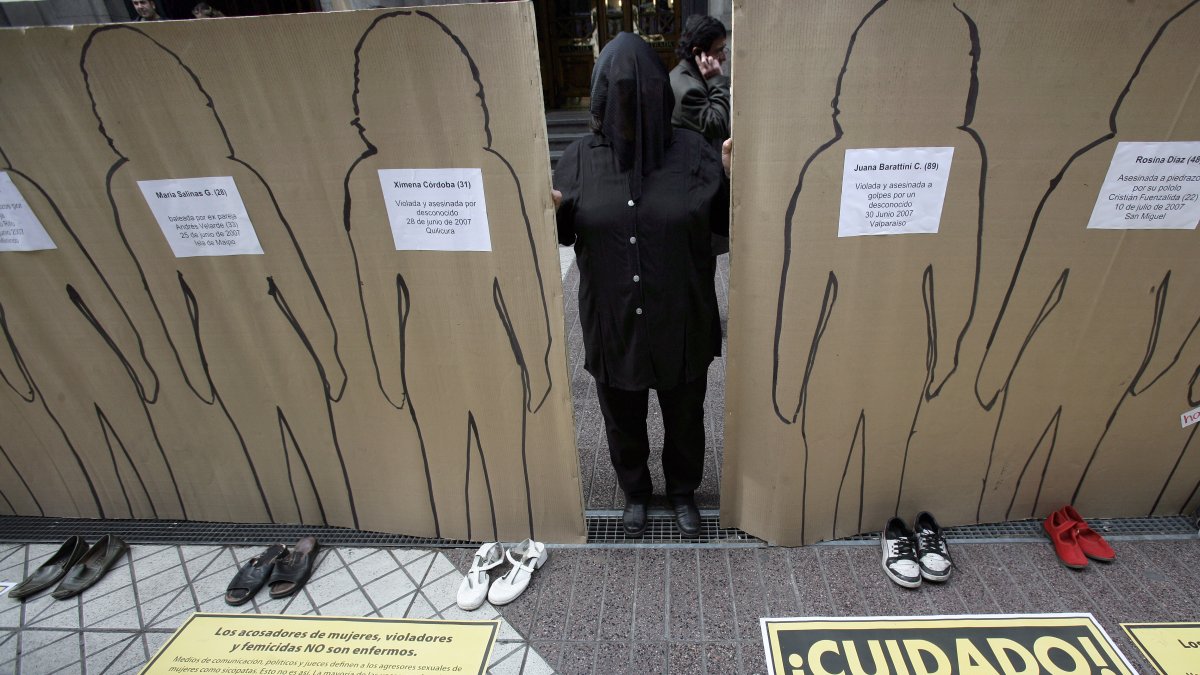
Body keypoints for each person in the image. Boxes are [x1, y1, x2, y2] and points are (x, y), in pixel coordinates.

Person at [553, 32, 731, 538]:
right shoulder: (580, 159)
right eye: (619, 93)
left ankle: (681, 491)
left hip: (681, 317)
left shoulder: (695, 154)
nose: (630, 105)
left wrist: (734, 179)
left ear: (659, 93)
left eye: (641, 93)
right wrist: (550, 208)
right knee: (622, 417)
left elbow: (726, 223)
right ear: (602, 95)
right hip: (614, 321)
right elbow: (563, 232)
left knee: (685, 415)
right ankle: (635, 491)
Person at [669, 15, 730, 148]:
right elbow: (718, 126)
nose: (724, 57)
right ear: (698, 52)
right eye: (719, 50)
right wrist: (716, 79)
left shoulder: (693, 76)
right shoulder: (689, 91)